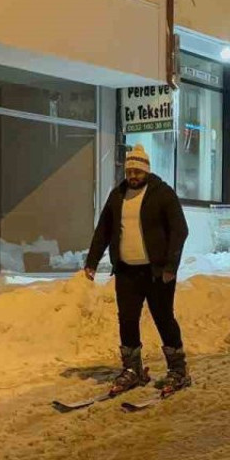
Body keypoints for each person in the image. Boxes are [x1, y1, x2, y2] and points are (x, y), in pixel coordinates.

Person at [84, 144, 192, 395]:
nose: (133, 176)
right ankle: (132, 369)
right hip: (126, 272)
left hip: (157, 273)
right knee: (127, 319)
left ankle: (178, 370)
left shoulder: (162, 193)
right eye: (129, 171)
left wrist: (171, 266)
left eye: (138, 172)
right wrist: (92, 262)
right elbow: (103, 231)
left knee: (163, 318)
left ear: (146, 171)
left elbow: (180, 230)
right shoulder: (117, 195)